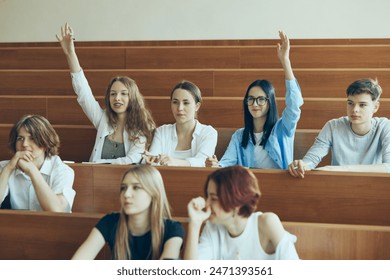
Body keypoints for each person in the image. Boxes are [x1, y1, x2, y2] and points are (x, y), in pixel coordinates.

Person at [56, 23, 156, 164]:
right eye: (113, 94)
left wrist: (95, 165)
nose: (117, 98)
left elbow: (132, 160)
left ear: (132, 98)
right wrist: (70, 53)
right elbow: (84, 94)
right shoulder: (103, 119)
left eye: (123, 94)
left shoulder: (141, 128)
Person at [205, 31, 303, 169]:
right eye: (250, 99)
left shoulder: (282, 129)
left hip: (280, 189)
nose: (255, 104)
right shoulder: (239, 136)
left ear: (270, 103)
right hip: (249, 190)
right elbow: (226, 163)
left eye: (261, 99)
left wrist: (285, 61)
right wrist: (215, 165)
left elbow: (294, 105)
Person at [184, 165, 299, 260]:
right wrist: (194, 224)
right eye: (207, 197)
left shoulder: (267, 222)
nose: (207, 204)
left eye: (213, 198)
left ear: (236, 202)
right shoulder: (211, 228)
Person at [72, 165, 184, 260]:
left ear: (154, 194)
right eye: (123, 188)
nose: (126, 194)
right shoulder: (110, 222)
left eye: (136, 188)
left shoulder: (172, 229)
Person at [288, 78, 390, 178]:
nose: (354, 110)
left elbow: (388, 167)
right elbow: (311, 160)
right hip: (339, 185)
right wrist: (301, 165)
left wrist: (343, 169)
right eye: (350, 103)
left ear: (375, 107)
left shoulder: (385, 126)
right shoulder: (333, 126)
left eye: (362, 105)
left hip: (373, 186)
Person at [0, 115, 75, 212]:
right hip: (17, 226)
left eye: (32, 138)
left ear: (45, 142)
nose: (24, 144)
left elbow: (56, 210)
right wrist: (8, 168)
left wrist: (32, 171)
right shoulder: (5, 167)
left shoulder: (63, 171)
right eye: (20, 138)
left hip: (52, 226)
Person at [142, 80, 217, 167]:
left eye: (186, 103)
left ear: (197, 106)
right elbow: (154, 160)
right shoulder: (162, 131)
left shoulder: (208, 132)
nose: (180, 108)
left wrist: (175, 162)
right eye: (175, 102)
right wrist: (151, 161)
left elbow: (202, 161)